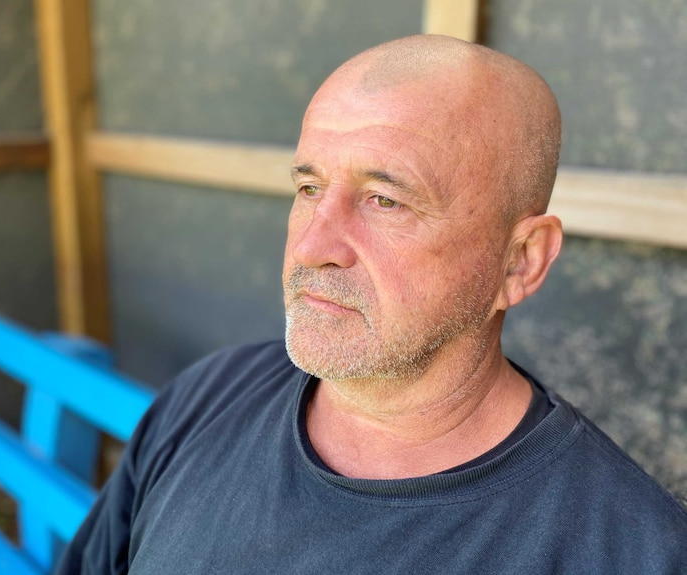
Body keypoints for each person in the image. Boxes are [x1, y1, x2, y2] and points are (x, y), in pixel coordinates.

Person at [56, 35, 687, 574]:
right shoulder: (208, 396)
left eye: (385, 200)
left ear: (519, 260)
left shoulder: (628, 550)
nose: (311, 246)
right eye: (309, 188)